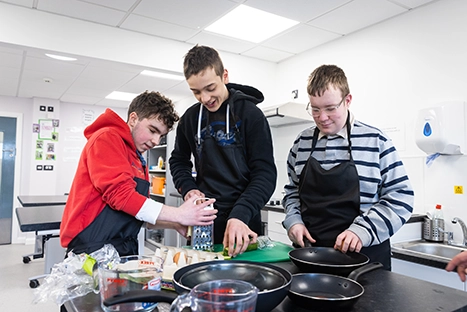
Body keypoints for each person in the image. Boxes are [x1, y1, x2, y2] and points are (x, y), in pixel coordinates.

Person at [282, 64, 414, 270]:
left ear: (348, 101)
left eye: (330, 108)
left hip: (365, 261)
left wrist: (362, 231)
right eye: (315, 109)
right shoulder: (302, 142)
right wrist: (293, 220)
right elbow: (292, 191)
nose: (322, 117)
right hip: (310, 257)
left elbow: (401, 197)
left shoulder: (375, 141)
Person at [60, 91, 217, 257]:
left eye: (161, 135)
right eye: (152, 130)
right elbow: (121, 197)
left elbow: (138, 212)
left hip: (121, 247)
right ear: (133, 119)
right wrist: (179, 214)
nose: (156, 141)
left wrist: (174, 223)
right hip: (92, 248)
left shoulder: (136, 158)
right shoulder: (107, 138)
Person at [169, 45, 276, 257]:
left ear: (224, 76)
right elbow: (178, 161)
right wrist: (188, 188)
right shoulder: (190, 119)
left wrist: (240, 215)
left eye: (210, 88)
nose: (205, 98)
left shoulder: (251, 115)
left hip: (243, 219)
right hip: (203, 222)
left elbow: (265, 174)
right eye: (196, 92)